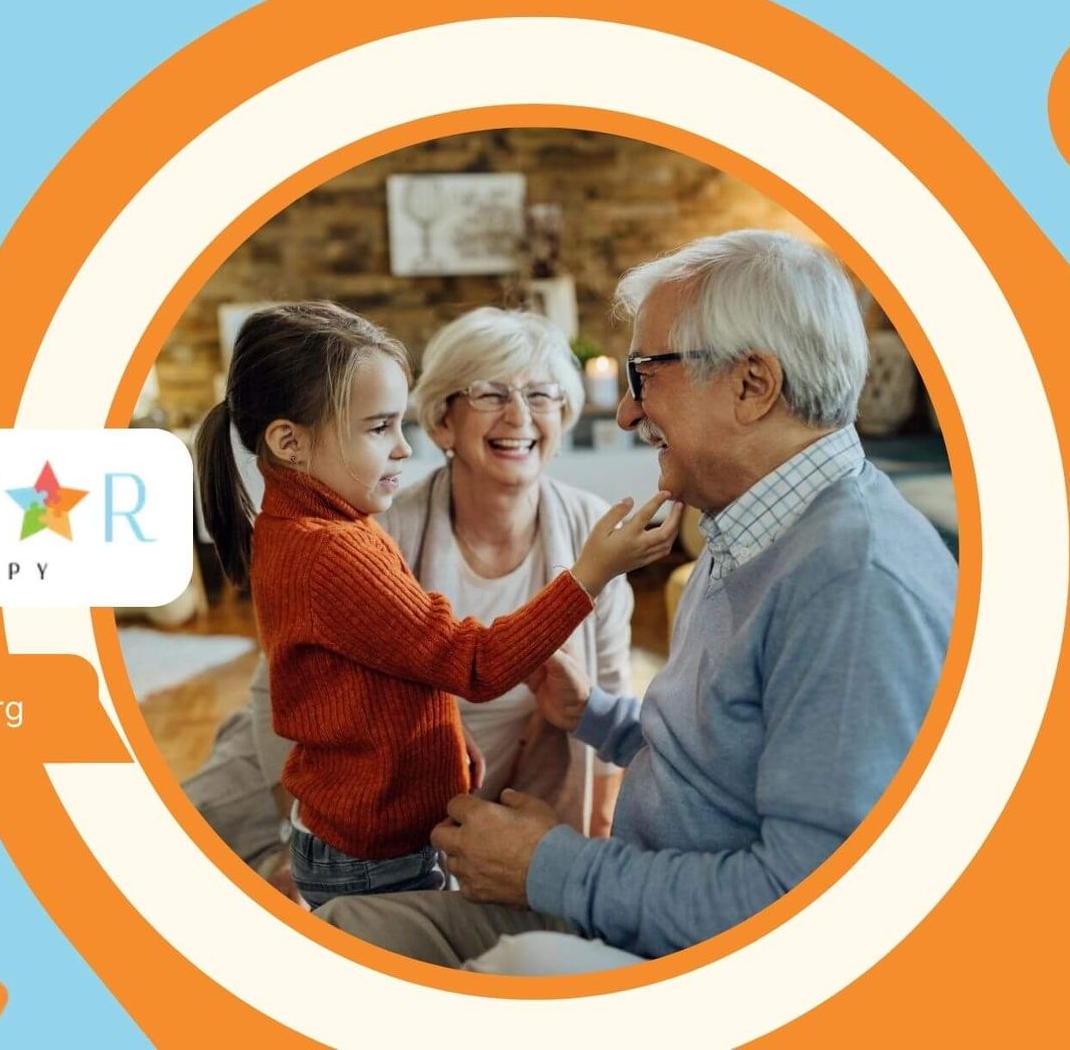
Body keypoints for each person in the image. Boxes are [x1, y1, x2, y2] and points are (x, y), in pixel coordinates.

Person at [316, 230, 958, 971]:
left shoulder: (853, 582)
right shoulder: (748, 526)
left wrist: (554, 867)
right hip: (628, 900)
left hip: (687, 954)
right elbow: (717, 754)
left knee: (431, 967)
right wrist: (595, 717)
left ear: (753, 384)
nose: (624, 411)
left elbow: (807, 909)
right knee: (342, 929)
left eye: (645, 373)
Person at [192, 301, 677, 909]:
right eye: (491, 393)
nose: (521, 414)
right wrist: (287, 836)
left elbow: (604, 692)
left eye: (543, 395)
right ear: (443, 424)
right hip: (353, 810)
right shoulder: (364, 529)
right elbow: (466, 664)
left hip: (419, 807)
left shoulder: (584, 521)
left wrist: (590, 858)